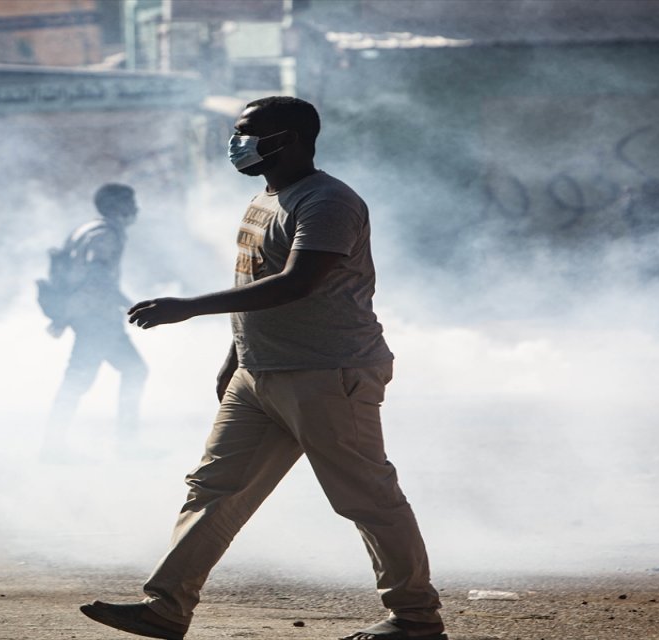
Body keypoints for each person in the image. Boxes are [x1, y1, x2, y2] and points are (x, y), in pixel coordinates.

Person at [79, 97, 446, 640]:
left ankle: (416, 618)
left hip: (327, 374)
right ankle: (165, 607)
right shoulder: (264, 199)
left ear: (291, 138)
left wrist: (188, 308)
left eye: (249, 133)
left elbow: (298, 282)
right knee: (214, 490)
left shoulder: (328, 202)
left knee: (366, 498)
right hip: (262, 374)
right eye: (237, 132)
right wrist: (236, 356)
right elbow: (256, 282)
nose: (237, 143)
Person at [42, 183, 148, 460]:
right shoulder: (105, 235)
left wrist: (65, 317)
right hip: (97, 320)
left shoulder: (86, 230)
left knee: (133, 370)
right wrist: (131, 305)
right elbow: (96, 277)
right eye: (130, 202)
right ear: (116, 207)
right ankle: (54, 447)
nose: (135, 208)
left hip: (92, 318)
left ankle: (124, 444)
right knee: (79, 380)